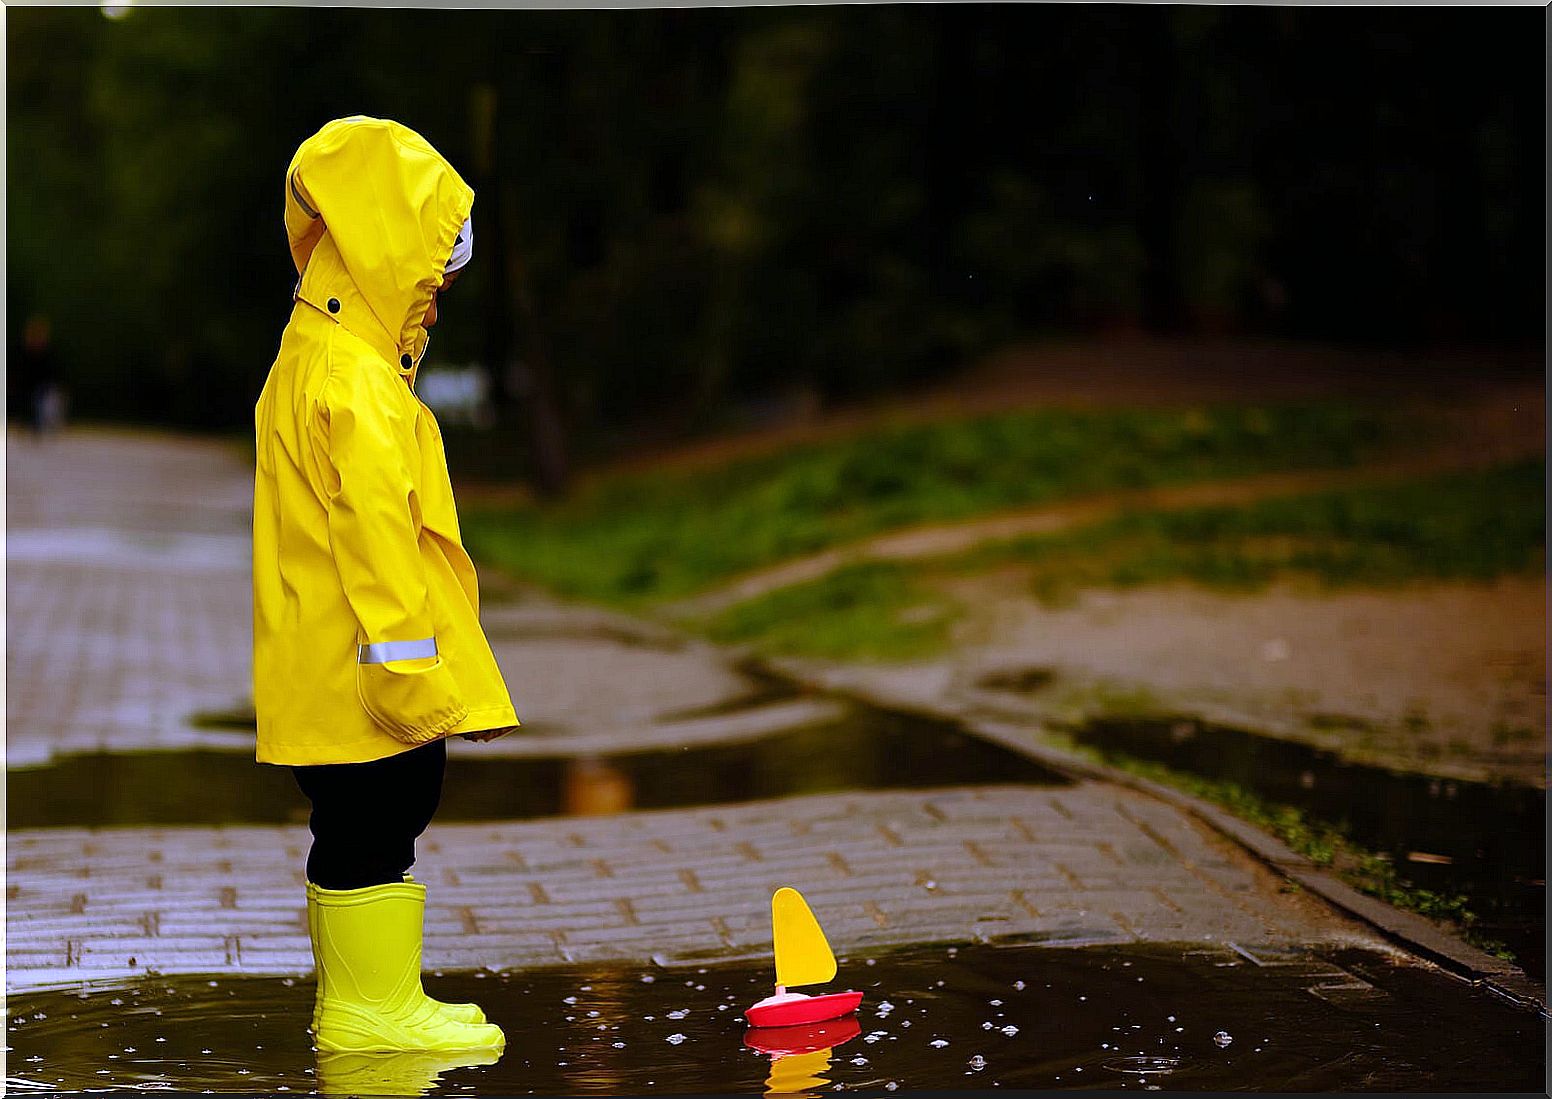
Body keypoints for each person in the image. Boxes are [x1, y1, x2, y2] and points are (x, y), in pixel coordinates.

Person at [252, 116, 520, 1057]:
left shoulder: (311, 359)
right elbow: (378, 549)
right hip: (367, 677)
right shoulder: (356, 384)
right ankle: (376, 1009)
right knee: (382, 821)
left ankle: (357, 1001)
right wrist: (416, 682)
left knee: (356, 830)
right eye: (433, 272)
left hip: (322, 667)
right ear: (385, 251)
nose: (438, 297)